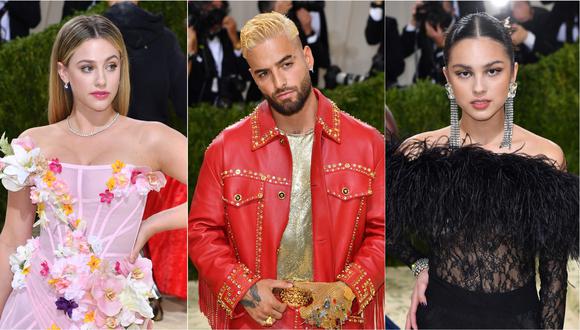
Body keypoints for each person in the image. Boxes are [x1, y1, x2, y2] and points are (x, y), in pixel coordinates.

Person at [189, 12, 384, 329]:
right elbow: (201, 233)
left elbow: (383, 231)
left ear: (307, 57)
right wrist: (245, 289)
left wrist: (348, 289)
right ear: (254, 77)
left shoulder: (367, 144)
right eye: (264, 73)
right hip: (260, 319)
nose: (279, 83)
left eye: (286, 64)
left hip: (337, 319)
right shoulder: (225, 150)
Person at [387, 12, 579, 329]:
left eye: (492, 71)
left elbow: (554, 276)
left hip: (517, 322)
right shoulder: (419, 152)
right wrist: (419, 263)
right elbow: (385, 229)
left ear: (514, 73)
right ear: (446, 76)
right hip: (438, 318)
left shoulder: (545, 157)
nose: (479, 87)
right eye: (464, 73)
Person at [0, 15, 187, 329]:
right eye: (87, 68)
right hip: (33, 307)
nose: (102, 80)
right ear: (64, 72)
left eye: (111, 66)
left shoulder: (151, 138)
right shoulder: (34, 143)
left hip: (114, 315)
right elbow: (12, 239)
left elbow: (217, 189)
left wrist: (151, 225)